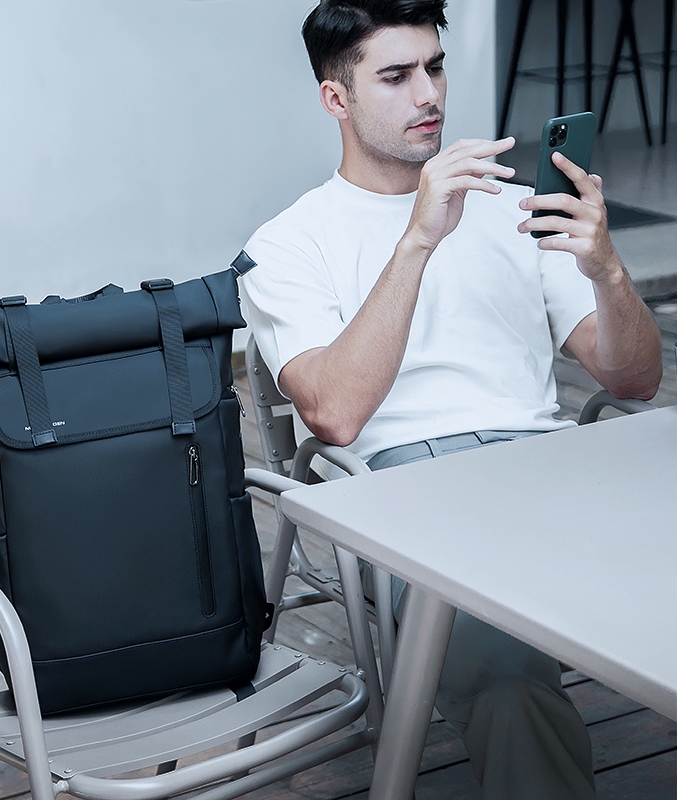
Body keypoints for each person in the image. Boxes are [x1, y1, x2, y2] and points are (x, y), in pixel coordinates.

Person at [240, 1, 663, 798]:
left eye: (434, 67)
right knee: (504, 681)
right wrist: (419, 238)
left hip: (550, 470)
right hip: (407, 492)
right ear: (336, 98)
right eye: (396, 76)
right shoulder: (286, 244)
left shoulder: (514, 208)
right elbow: (333, 415)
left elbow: (633, 379)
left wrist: (606, 269)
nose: (428, 93)